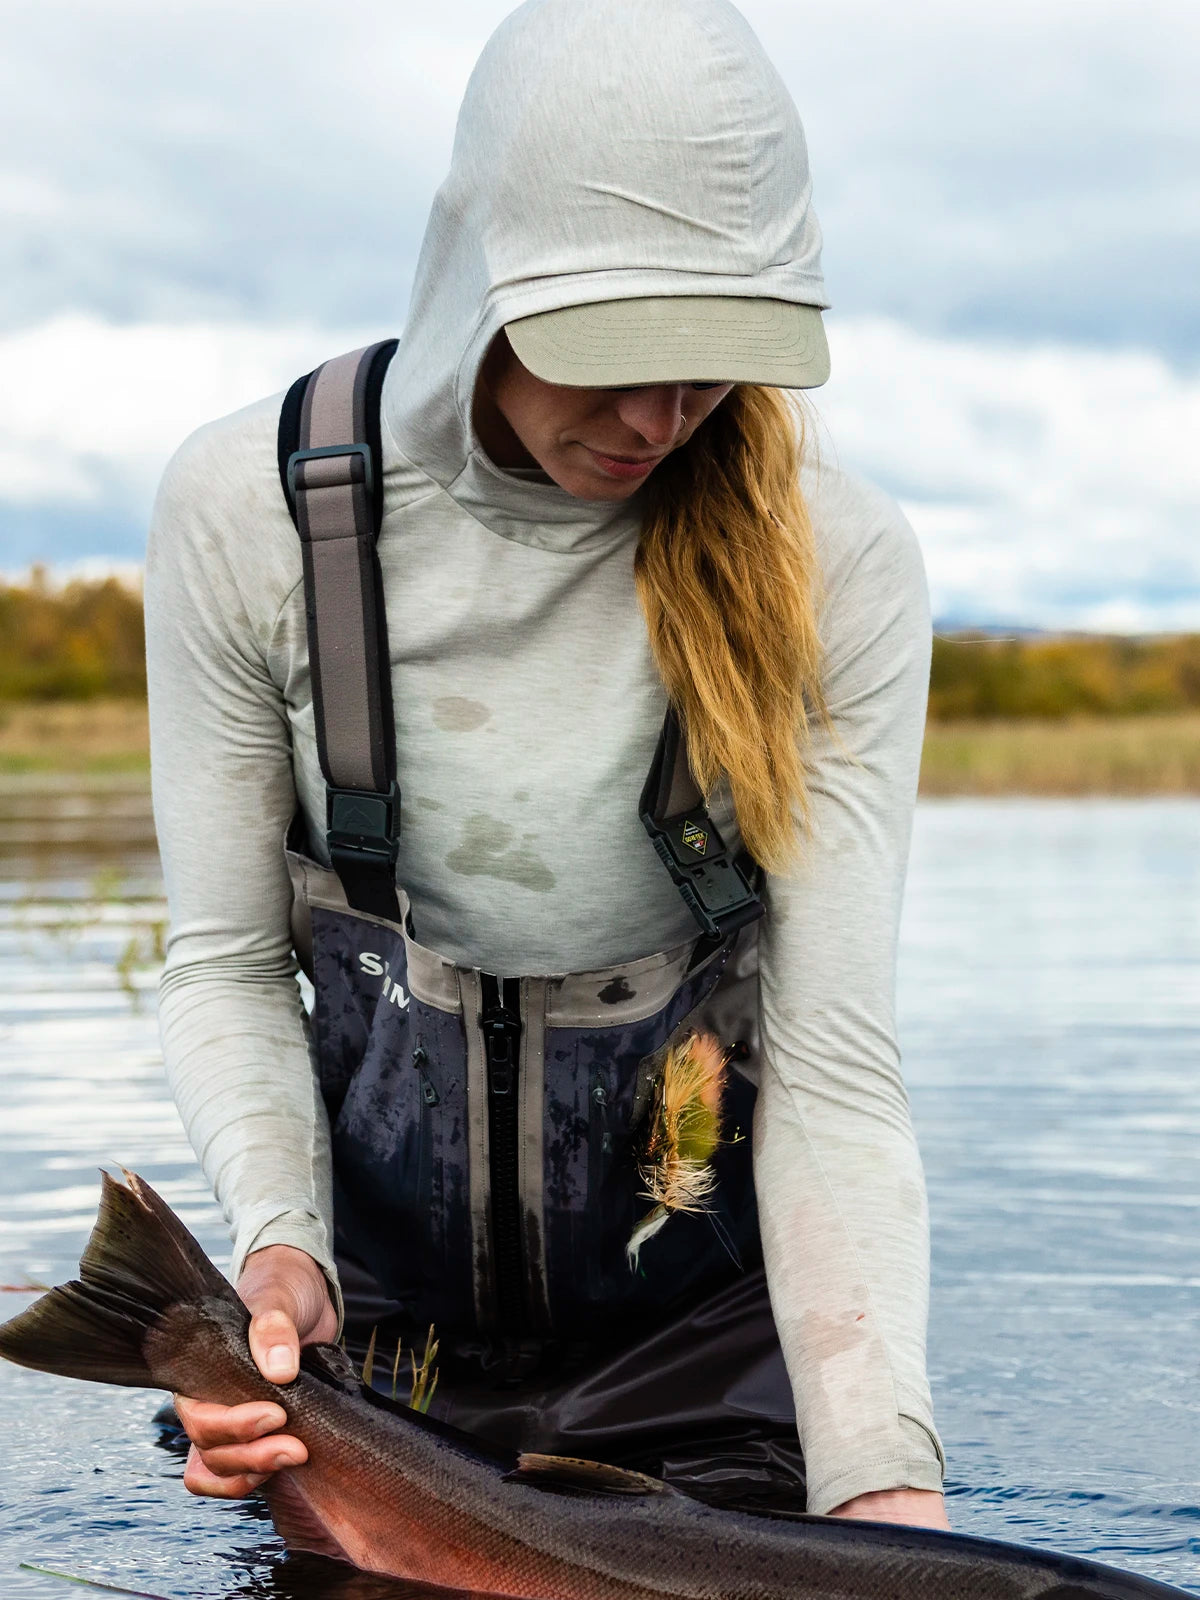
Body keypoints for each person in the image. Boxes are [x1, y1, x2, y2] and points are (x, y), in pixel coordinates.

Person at [146, 0, 949, 1534]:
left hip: (702, 1357)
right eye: (614, 358)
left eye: (715, 363)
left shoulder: (840, 562)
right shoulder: (245, 515)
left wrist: (882, 1485)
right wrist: (275, 1249)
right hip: (361, 1359)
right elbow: (228, 963)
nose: (662, 418)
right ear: (474, 286)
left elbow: (838, 1070)